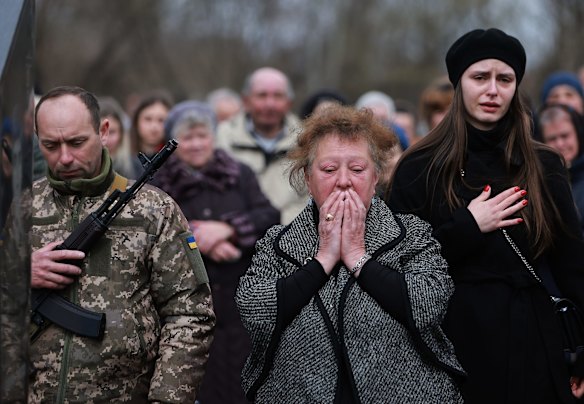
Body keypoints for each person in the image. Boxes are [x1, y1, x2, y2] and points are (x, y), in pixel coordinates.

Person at [385, 28, 584, 403]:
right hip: (450, 350)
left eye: (504, 79)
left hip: (533, 349)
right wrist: (468, 227)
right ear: (459, 84)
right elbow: (397, 269)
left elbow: (573, 265)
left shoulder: (544, 164)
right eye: (480, 77)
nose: (493, 90)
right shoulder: (419, 166)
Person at [236, 104, 465, 403]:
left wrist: (359, 257)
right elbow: (254, 311)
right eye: (329, 170)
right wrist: (322, 261)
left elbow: (428, 306)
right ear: (308, 177)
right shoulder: (277, 241)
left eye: (357, 170)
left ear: (375, 177)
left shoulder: (412, 234)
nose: (343, 181)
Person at [29, 86, 215, 402]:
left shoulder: (153, 209)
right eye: (50, 144)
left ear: (104, 131)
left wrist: (166, 399)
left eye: (76, 142)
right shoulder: (20, 208)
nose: (64, 157)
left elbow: (190, 313)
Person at [152, 100, 279, 404]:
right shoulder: (160, 183)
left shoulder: (239, 174)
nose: (197, 144)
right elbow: (153, 238)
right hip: (186, 307)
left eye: (203, 136)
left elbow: (269, 217)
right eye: (188, 138)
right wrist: (196, 238)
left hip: (239, 308)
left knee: (241, 386)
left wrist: (228, 230)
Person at [215, 67, 305, 225]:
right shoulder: (222, 137)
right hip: (235, 240)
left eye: (278, 96)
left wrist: (277, 224)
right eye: (262, 96)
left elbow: (311, 197)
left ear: (289, 102)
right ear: (246, 101)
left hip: (292, 236)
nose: (270, 104)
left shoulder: (306, 140)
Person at [537, 103, 584, 233]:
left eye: (565, 136)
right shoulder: (538, 182)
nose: (560, 144)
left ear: (578, 134)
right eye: (552, 139)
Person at [128, 92, 172, 178]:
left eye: (161, 120)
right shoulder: (124, 160)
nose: (154, 127)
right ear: (136, 122)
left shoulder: (176, 165)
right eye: (148, 119)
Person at [98, 96, 136, 179]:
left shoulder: (134, 167)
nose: (106, 138)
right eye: (100, 132)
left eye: (112, 132)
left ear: (121, 132)